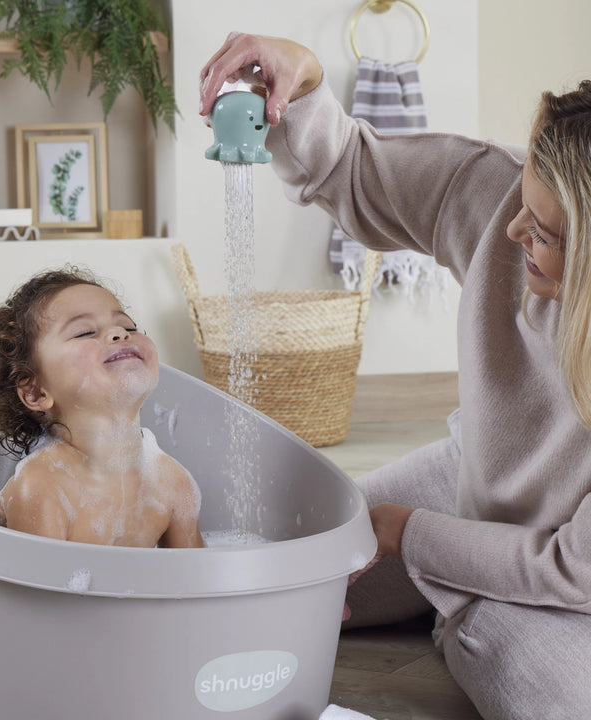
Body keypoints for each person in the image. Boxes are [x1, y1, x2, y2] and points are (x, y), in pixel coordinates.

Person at [201, 33, 591, 719]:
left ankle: (468, 610)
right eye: (524, 198)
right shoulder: (497, 196)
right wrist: (307, 81)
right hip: (469, 481)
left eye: (547, 235)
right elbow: (352, 169)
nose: (511, 231)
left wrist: (410, 536)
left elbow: (574, 568)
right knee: (259, 577)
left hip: (571, 566)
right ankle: (461, 590)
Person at [0, 267, 205, 549]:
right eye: (84, 333)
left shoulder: (171, 482)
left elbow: (196, 580)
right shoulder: (42, 486)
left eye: (129, 327)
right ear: (36, 392)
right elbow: (38, 592)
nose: (120, 333)